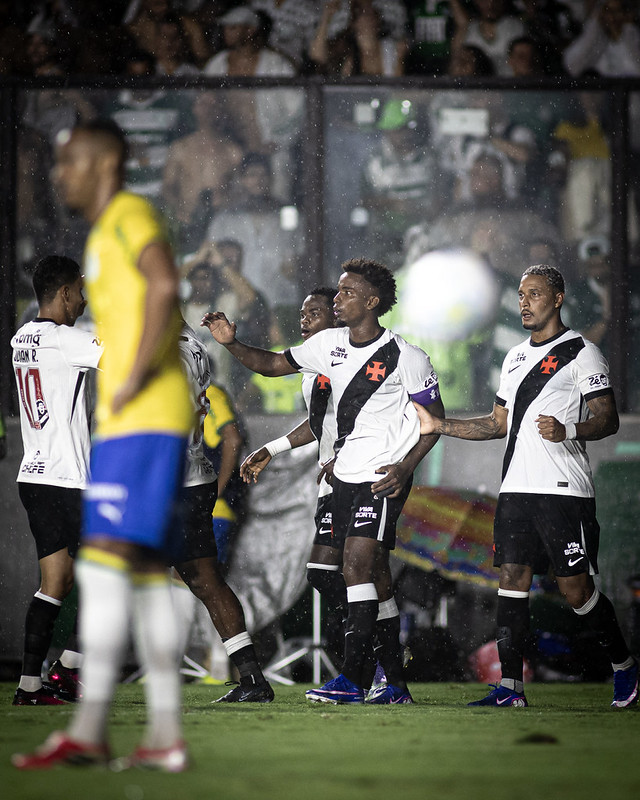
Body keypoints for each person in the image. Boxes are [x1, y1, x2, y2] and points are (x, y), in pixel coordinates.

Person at [13, 119, 193, 771]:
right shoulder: (101, 232)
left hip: (143, 419)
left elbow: (167, 288)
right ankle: (117, 732)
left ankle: (147, 732)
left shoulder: (128, 215)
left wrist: (136, 374)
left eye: (68, 163)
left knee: (123, 572)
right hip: (122, 425)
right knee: (121, 573)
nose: (58, 175)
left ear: (103, 162)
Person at [202, 257, 445, 704]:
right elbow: (275, 365)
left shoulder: (407, 357)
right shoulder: (327, 347)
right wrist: (233, 344)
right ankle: (390, 668)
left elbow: (434, 422)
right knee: (332, 573)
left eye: (347, 292)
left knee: (357, 568)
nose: (338, 299)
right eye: (337, 291)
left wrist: (405, 469)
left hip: (381, 477)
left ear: (372, 302)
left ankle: (356, 677)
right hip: (339, 475)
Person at [413, 264, 638, 709]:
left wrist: (569, 429)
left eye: (534, 294)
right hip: (516, 490)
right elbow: (497, 425)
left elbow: (608, 418)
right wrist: (442, 424)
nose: (524, 302)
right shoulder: (514, 357)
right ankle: (510, 689)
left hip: (563, 492)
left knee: (576, 592)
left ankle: (626, 671)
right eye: (520, 295)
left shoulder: (582, 352)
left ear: (557, 299)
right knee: (511, 582)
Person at [10, 255, 103, 706]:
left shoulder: (23, 337)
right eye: (80, 292)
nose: (83, 302)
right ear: (64, 292)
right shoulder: (66, 340)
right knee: (110, 572)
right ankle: (68, 669)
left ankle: (30, 686)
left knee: (56, 583)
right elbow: (124, 359)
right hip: (67, 479)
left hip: (34, 474)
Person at [240, 287, 347, 666]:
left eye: (314, 313)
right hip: (332, 478)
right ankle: (371, 651)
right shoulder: (311, 368)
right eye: (303, 313)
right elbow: (320, 423)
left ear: (337, 319)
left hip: (363, 475)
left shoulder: (357, 357)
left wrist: (350, 454)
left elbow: (380, 417)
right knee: (324, 571)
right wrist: (273, 448)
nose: (304, 320)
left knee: (363, 569)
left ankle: (375, 665)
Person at [173, 319, 273, 702]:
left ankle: (71, 667)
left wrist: (221, 486)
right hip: (194, 482)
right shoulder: (195, 347)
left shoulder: (163, 349)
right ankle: (249, 677)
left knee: (116, 571)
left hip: (173, 485)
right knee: (205, 581)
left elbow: (230, 436)